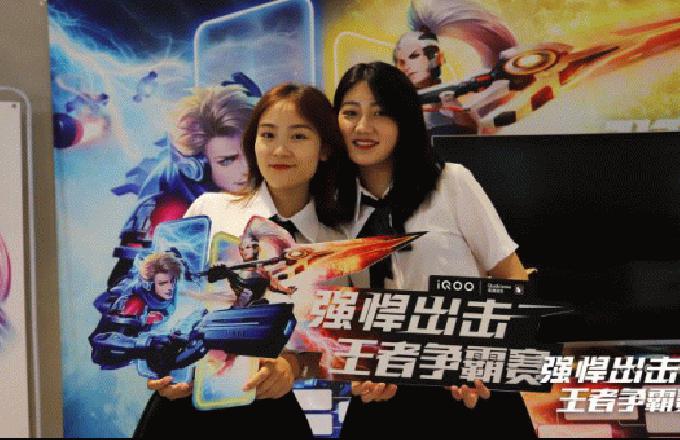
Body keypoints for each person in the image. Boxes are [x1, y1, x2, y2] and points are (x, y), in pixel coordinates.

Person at [133, 83, 355, 438]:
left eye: (298, 136)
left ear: (325, 148)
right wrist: (165, 369)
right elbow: (169, 306)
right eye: (268, 135)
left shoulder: (337, 246)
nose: (280, 149)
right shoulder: (210, 211)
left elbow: (330, 349)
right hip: (187, 405)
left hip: (268, 411)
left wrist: (291, 367)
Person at [334, 61, 535, 437]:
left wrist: (491, 360)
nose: (363, 127)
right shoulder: (334, 210)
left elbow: (512, 277)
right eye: (350, 113)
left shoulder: (450, 183)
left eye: (380, 113)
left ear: (405, 121)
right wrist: (358, 368)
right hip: (384, 393)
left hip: (468, 388)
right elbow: (340, 315)